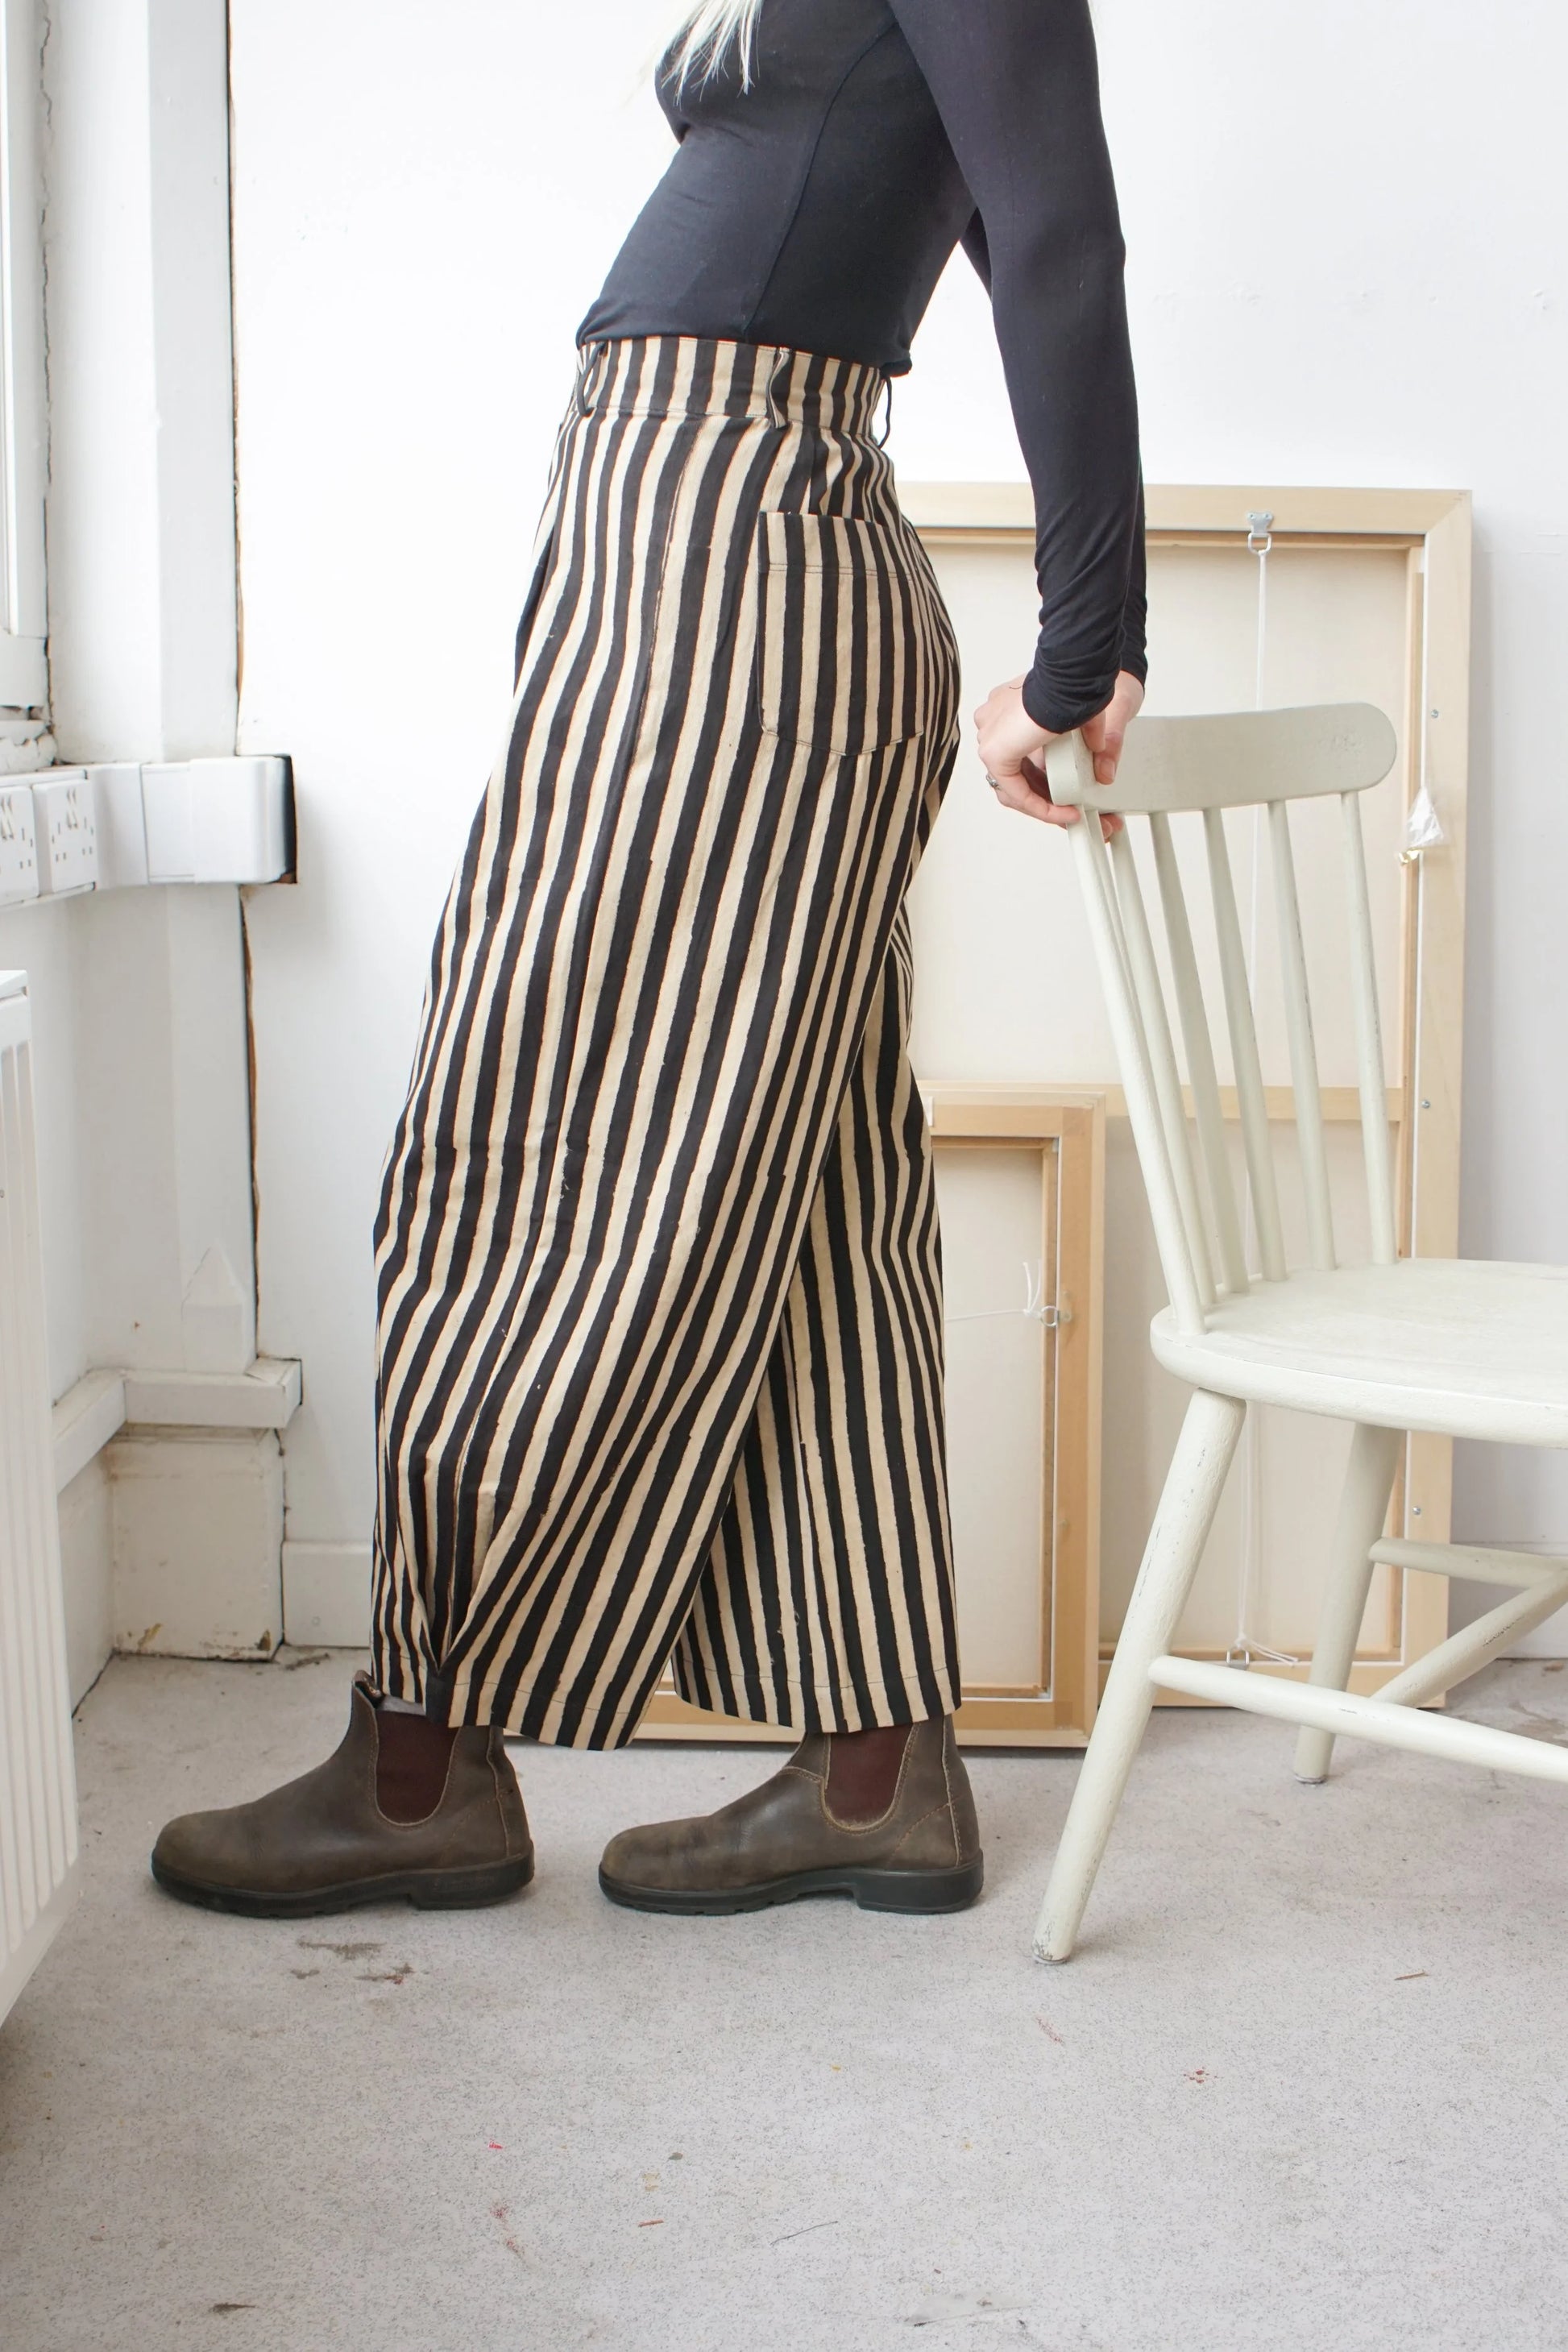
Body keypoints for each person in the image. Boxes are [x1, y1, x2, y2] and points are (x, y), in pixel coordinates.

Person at [150, 0, 1146, 1923]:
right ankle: (874, 1773)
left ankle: (421, 1757)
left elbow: (1059, 229)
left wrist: (1085, 637)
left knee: (516, 1130)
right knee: (821, 1194)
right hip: (685, 545)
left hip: (730, 562)